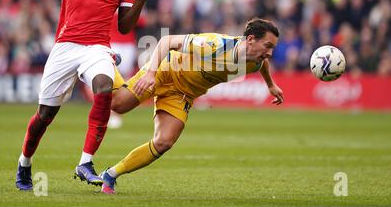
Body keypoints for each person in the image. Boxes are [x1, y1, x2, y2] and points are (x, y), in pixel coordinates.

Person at [15, 0, 165, 190]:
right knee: (45, 116)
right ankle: (24, 163)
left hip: (97, 47)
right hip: (66, 46)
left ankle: (85, 162)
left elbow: (124, 25)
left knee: (105, 88)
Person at [99, 18, 284, 194]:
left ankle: (110, 175)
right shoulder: (215, 45)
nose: (269, 52)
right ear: (250, 39)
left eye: (272, 48)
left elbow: (263, 64)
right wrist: (151, 73)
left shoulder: (255, 61)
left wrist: (270, 85)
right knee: (118, 105)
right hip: (165, 72)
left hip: (183, 95)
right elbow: (167, 41)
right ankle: (106, 58)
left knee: (164, 142)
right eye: (267, 46)